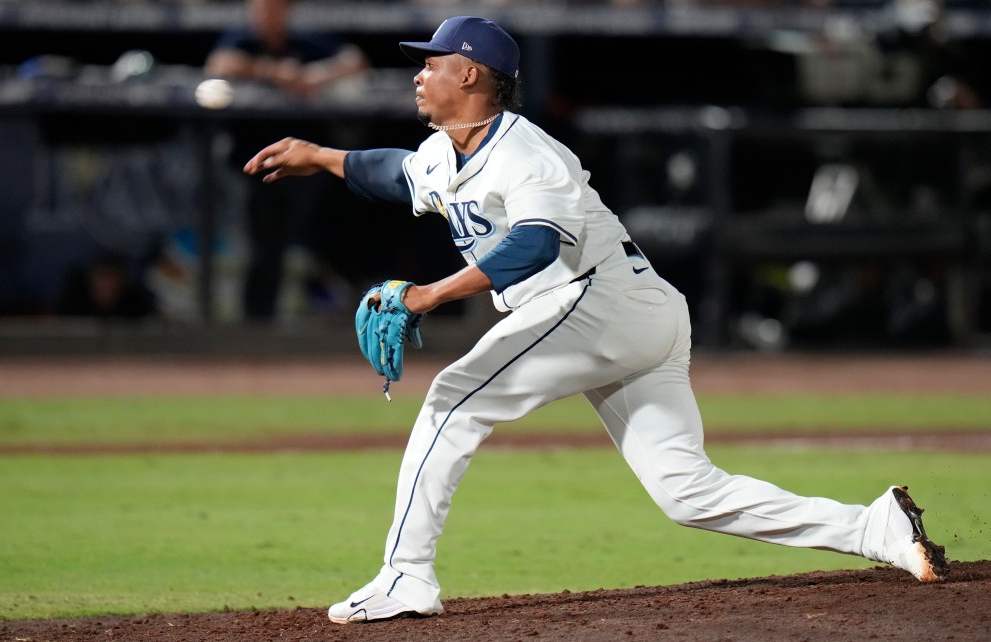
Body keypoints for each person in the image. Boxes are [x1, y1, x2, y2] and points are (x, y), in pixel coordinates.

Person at [243, 16, 949, 624]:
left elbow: (534, 244)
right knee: (687, 493)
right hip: (632, 316)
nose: (419, 74)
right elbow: (395, 172)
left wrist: (430, 294)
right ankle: (873, 528)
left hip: (595, 302)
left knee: (453, 400)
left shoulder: (526, 153)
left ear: (471, 73)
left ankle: (406, 577)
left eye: (431, 63)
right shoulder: (443, 150)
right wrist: (321, 156)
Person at [206, 0, 370, 320]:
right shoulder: (242, 41)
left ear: (287, 12)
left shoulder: (304, 41)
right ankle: (256, 321)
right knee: (262, 246)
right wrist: (275, 72)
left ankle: (321, 315)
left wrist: (313, 77)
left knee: (315, 240)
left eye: (273, 9)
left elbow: (356, 61)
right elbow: (219, 64)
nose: (265, 16)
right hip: (253, 165)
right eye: (260, 9)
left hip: (304, 166)